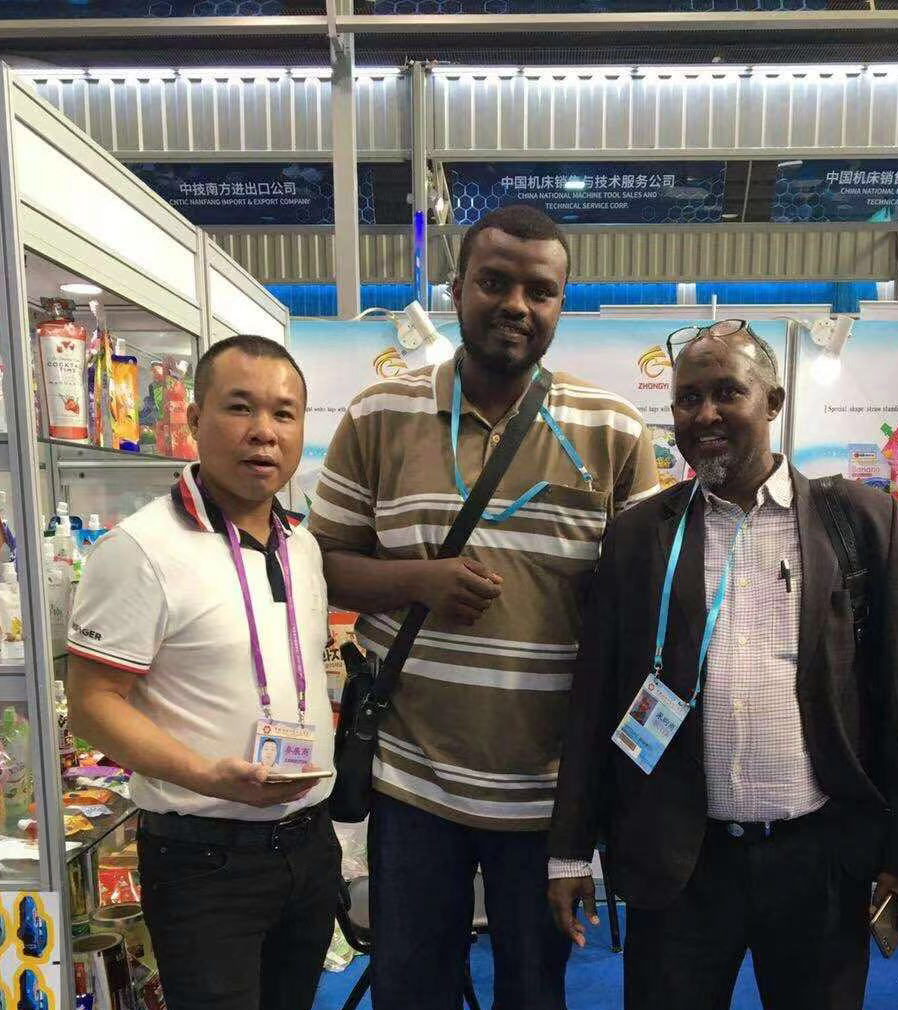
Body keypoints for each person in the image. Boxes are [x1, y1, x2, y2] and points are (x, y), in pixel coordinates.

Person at [310, 205, 659, 1010]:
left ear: (561, 304)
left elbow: (645, 602)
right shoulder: (378, 415)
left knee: (534, 992)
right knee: (411, 992)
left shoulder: (612, 429)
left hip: (548, 791)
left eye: (541, 291)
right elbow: (319, 567)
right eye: (494, 283)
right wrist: (417, 582)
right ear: (456, 288)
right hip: (412, 781)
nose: (516, 306)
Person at [547, 319, 898, 1010]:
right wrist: (568, 850)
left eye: (727, 392)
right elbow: (595, 701)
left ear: (774, 402)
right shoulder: (640, 536)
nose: (705, 413)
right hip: (680, 862)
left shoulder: (860, 523)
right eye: (688, 398)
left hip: (819, 861)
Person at [67, 335, 340, 1010]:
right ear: (193, 418)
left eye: (283, 413)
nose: (263, 432)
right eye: (240, 407)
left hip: (308, 844)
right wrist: (206, 775)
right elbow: (93, 703)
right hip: (204, 859)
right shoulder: (140, 548)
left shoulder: (302, 545)